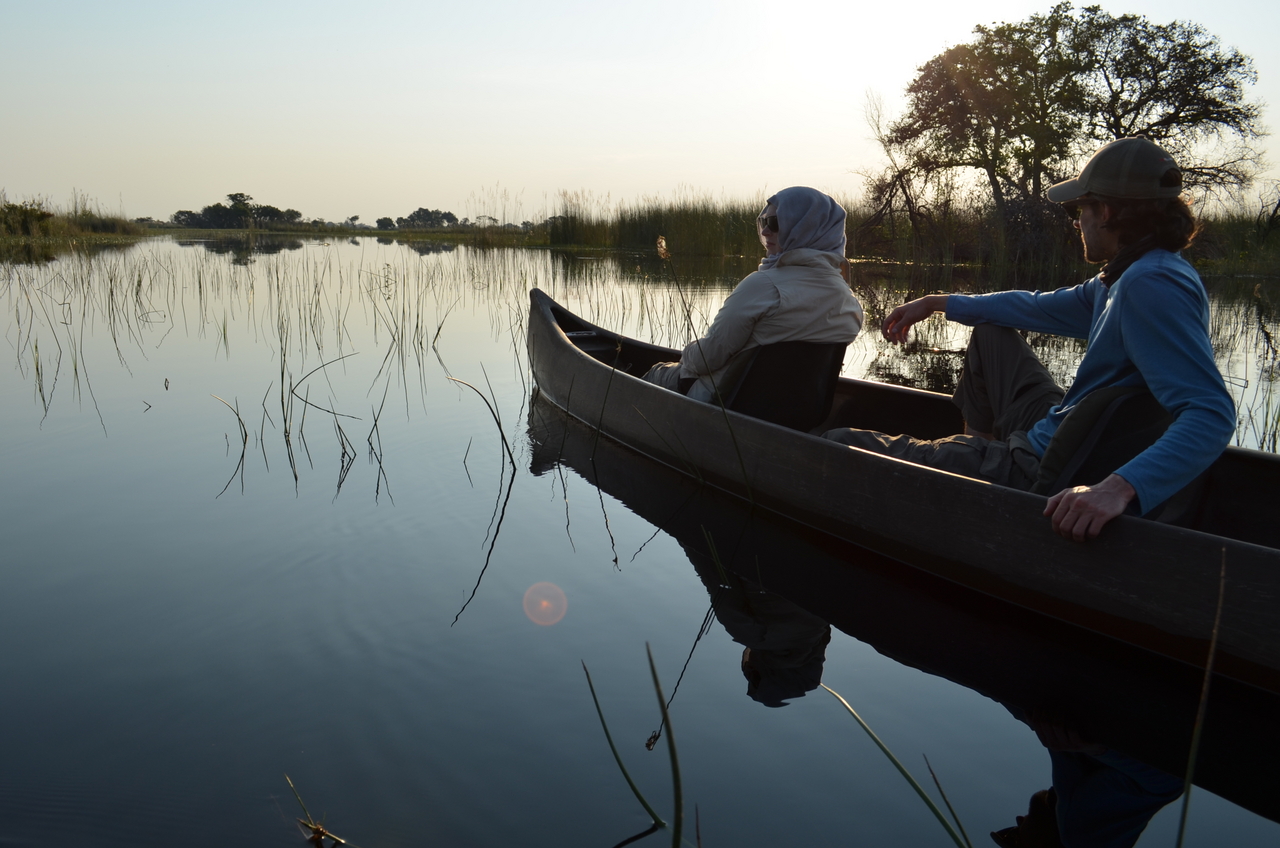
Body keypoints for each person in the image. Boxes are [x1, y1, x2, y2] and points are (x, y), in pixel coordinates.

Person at [823, 136, 1236, 541]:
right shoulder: (1131, 274)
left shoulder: (1150, 284)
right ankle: (973, 459)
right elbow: (1032, 307)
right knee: (989, 331)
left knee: (834, 444)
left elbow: (1209, 412)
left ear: (1106, 211)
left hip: (1044, 466)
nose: (1076, 221)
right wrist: (937, 302)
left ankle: (984, 473)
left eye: (1080, 208)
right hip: (1068, 429)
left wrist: (1117, 488)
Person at [643, 186, 864, 403]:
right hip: (797, 415)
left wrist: (688, 353)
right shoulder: (848, 301)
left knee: (657, 372)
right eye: (764, 222)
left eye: (776, 223)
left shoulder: (763, 286)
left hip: (722, 403)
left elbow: (707, 359)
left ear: (805, 227)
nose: (766, 231)